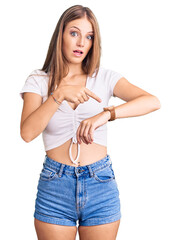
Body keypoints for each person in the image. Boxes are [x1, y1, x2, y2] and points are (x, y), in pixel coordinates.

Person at [19, 4, 161, 240]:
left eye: (89, 36)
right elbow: (27, 133)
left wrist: (106, 114)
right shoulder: (38, 80)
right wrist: (59, 94)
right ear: (60, 35)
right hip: (55, 186)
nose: (81, 43)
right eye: (74, 33)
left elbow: (152, 101)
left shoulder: (104, 77)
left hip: (100, 183)